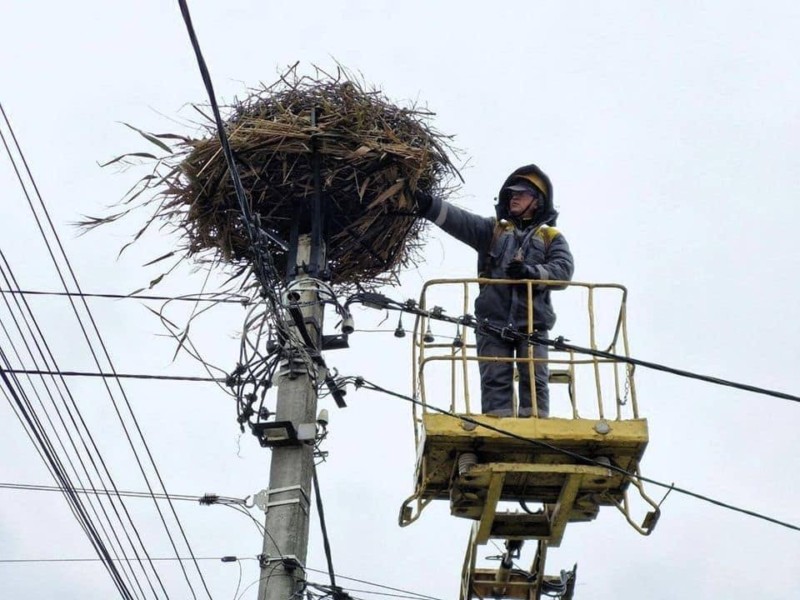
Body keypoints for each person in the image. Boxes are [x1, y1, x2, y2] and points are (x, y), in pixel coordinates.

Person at [417, 164, 574, 418]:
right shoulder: (493, 231)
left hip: (532, 324)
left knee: (534, 379)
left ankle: (535, 428)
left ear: (537, 201)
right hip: (493, 323)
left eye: (521, 193)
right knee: (494, 379)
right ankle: (499, 426)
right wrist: (426, 204)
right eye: (511, 192)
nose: (514, 196)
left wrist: (530, 273)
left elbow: (563, 271)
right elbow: (460, 221)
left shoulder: (550, 237)